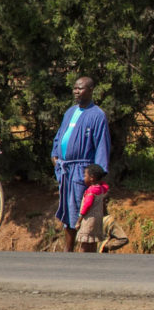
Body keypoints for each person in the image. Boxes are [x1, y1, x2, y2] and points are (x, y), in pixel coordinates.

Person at [52, 76, 111, 252]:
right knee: (67, 215)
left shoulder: (97, 115)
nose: (76, 91)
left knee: (84, 216)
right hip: (66, 171)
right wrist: (55, 157)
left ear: (91, 90)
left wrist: (95, 178)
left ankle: (87, 257)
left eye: (81, 88)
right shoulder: (70, 112)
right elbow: (59, 137)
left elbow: (102, 146)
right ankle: (67, 253)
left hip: (83, 174)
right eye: (75, 88)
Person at [74, 164, 110, 254]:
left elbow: (86, 206)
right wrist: (100, 180)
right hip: (98, 220)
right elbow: (105, 185)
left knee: (84, 244)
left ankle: (81, 262)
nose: (84, 178)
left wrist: (79, 220)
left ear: (92, 178)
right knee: (93, 242)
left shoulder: (91, 191)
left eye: (85, 175)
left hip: (89, 221)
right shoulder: (101, 189)